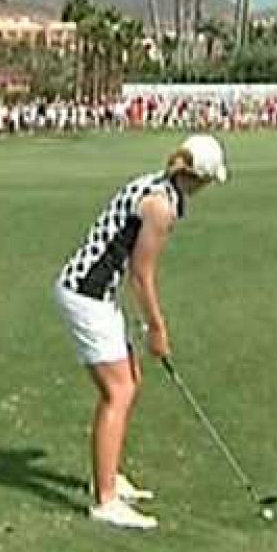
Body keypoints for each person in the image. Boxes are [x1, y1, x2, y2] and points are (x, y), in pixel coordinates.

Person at [53, 134, 229, 530]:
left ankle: (109, 475)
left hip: (95, 292)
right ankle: (105, 500)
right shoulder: (160, 206)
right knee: (119, 392)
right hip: (86, 295)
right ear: (198, 178)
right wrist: (156, 328)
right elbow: (141, 274)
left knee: (130, 380)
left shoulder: (157, 186)